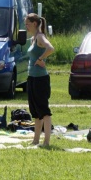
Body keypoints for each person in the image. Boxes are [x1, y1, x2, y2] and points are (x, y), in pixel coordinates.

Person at [25, 13, 55, 147]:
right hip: (31, 77)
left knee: (44, 110)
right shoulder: (33, 38)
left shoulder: (40, 37)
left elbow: (50, 48)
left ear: (35, 24)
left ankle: (46, 141)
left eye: (28, 24)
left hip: (40, 79)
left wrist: (41, 59)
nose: (26, 26)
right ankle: (35, 140)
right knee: (35, 111)